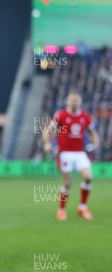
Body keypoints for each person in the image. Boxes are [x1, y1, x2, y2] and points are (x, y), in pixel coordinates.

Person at [43, 90, 99, 221]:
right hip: (65, 153)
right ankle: (61, 210)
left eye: (76, 100)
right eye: (72, 100)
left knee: (88, 178)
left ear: (80, 102)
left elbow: (92, 132)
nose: (74, 103)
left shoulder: (85, 117)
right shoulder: (61, 115)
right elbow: (48, 131)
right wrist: (47, 144)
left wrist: (95, 143)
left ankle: (82, 207)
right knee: (68, 182)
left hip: (80, 153)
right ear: (67, 101)